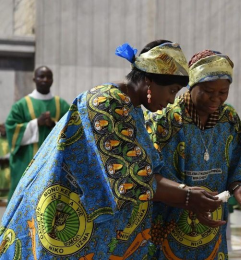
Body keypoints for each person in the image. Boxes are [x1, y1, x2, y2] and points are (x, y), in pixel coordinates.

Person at [0, 41, 222, 259]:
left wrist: (190, 195)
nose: (171, 99)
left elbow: (154, 167)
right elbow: (131, 180)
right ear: (148, 81)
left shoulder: (131, 107)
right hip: (65, 221)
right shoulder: (104, 102)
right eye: (172, 90)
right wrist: (187, 197)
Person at [145, 50, 241, 259]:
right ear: (192, 84)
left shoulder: (229, 119)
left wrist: (238, 187)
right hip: (170, 221)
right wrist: (186, 195)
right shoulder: (167, 119)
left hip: (212, 224)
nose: (216, 98)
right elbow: (151, 173)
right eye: (208, 91)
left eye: (223, 92)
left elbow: (237, 162)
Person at [5, 66, 70, 199]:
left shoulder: (61, 105)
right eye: (41, 76)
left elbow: (73, 128)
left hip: (54, 161)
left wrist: (54, 125)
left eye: (48, 77)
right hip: (27, 160)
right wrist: (36, 124)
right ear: (34, 79)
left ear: (52, 80)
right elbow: (11, 129)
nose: (45, 80)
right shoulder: (22, 105)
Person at [0, 123, 10, 198]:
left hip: (10, 166)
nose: (3, 129)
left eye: (4, 127)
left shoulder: (12, 140)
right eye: (1, 127)